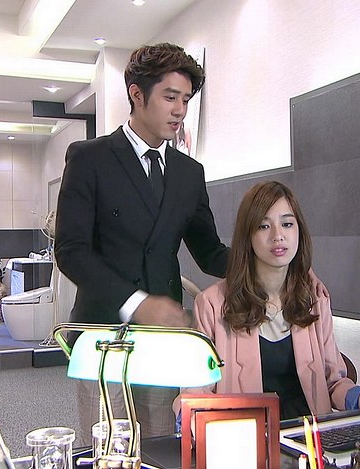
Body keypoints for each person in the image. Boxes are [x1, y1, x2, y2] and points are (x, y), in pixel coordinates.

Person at [54, 43, 229, 440]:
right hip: (103, 335)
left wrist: (269, 266)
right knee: (108, 447)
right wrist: (138, 303)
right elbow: (70, 251)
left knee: (160, 443)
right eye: (170, 97)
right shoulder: (89, 158)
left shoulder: (189, 173)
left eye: (186, 100)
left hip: (164, 336)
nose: (180, 110)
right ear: (137, 94)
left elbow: (210, 252)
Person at [174, 181, 360, 420]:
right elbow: (195, 393)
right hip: (248, 438)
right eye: (264, 226)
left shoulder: (314, 298)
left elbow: (334, 384)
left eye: (287, 224)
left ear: (299, 231)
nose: (278, 236)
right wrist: (189, 419)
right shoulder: (212, 305)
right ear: (248, 236)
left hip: (309, 436)